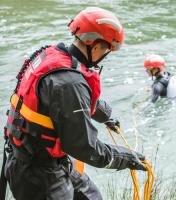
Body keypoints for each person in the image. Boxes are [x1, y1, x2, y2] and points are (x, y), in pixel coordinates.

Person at [1, 7, 146, 200]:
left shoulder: (53, 55)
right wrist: (124, 158)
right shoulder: (69, 82)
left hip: (35, 158)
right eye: (106, 50)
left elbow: (66, 101)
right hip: (38, 174)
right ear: (95, 46)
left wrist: (106, 116)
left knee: (91, 196)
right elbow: (84, 147)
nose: (105, 55)